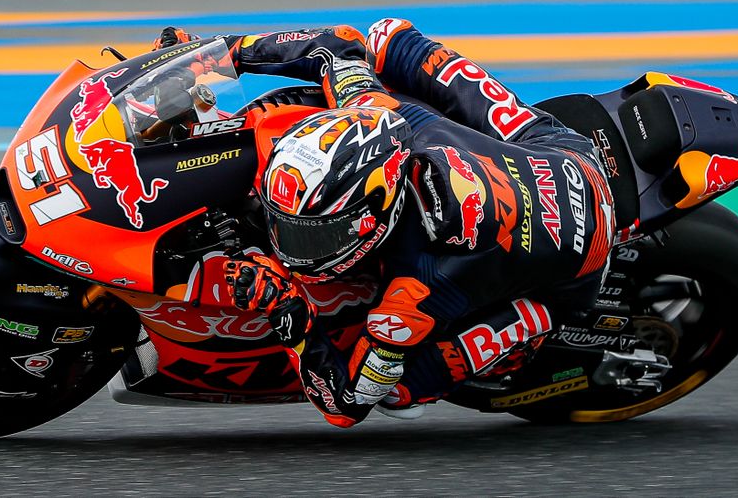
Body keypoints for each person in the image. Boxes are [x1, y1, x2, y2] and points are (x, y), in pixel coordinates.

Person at [152, 21, 618, 428]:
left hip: (578, 259)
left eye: (316, 234)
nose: (291, 249)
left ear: (374, 218)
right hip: (553, 151)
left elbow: (346, 405)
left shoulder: (412, 296)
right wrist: (209, 54)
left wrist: (287, 310)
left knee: (397, 391)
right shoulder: (372, 108)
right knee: (387, 37)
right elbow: (335, 43)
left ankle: (537, 322)